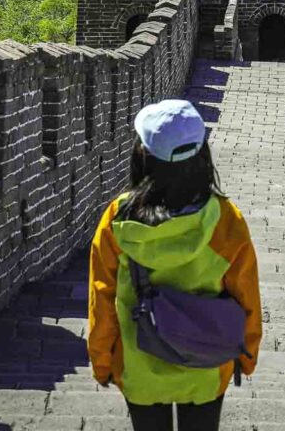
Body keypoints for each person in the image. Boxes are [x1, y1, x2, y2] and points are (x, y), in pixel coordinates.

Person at [88, 99, 263, 431]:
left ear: (144, 157)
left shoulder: (118, 218)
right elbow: (247, 297)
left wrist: (102, 361)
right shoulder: (225, 219)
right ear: (202, 155)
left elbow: (102, 297)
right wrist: (247, 355)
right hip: (206, 367)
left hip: (139, 366)